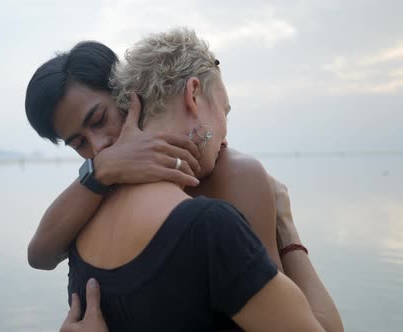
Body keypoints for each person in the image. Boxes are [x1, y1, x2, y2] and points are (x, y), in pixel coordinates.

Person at [59, 28, 342, 331]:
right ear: (193, 94)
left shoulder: (82, 223)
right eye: (224, 110)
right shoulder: (211, 224)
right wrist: (287, 231)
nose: (224, 135)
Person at [25, 38, 282, 275]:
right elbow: (40, 256)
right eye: (79, 143)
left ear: (125, 94)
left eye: (100, 119)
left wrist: (290, 238)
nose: (99, 145)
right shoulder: (100, 187)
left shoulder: (229, 171)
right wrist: (100, 171)